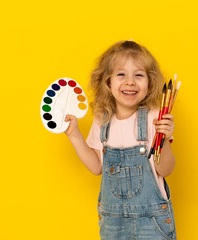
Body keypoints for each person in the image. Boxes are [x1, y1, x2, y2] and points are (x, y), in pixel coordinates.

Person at [64, 40, 177, 240]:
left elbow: (165, 170)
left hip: (151, 223)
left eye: (139, 75)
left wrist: (165, 139)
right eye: (121, 74)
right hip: (113, 224)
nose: (130, 82)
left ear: (150, 84)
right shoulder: (102, 120)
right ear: (108, 82)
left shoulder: (155, 117)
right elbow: (96, 167)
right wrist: (74, 134)